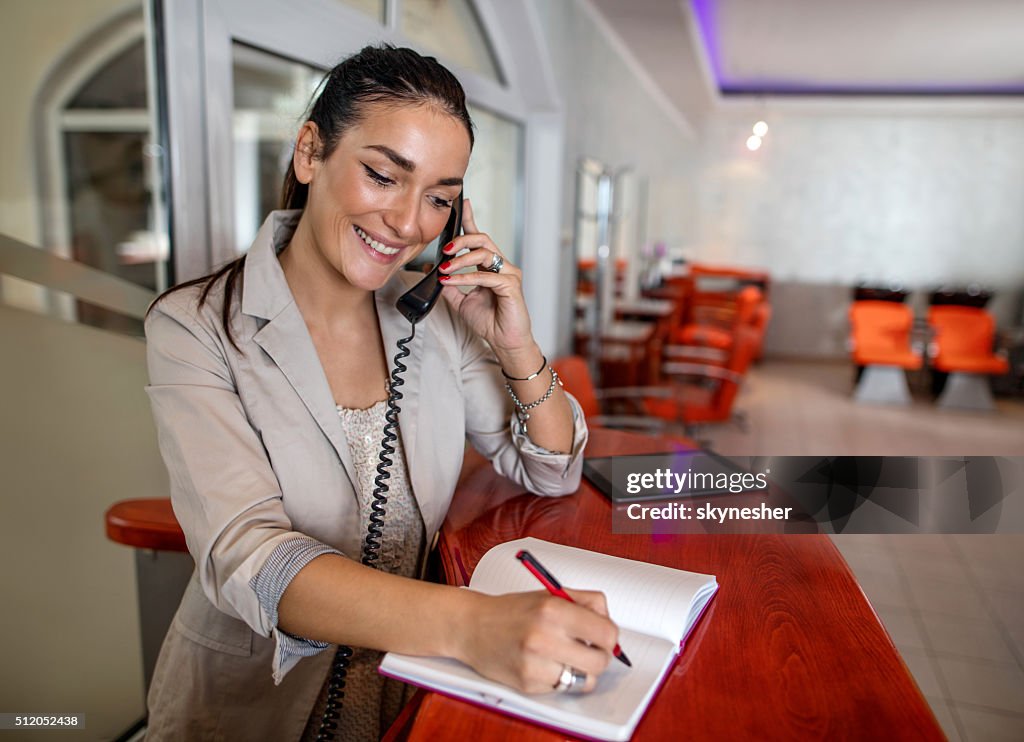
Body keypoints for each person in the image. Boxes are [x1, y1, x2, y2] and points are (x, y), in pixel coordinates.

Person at [143, 44, 618, 741]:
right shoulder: (195, 326)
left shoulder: (430, 321)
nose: (407, 223)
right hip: (257, 701)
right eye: (382, 176)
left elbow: (551, 469)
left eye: (439, 200)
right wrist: (476, 625)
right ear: (311, 153)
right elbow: (250, 553)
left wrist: (512, 341)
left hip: (405, 678)